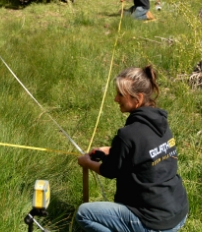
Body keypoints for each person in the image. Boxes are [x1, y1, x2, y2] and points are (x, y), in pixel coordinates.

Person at [76, 66, 188, 232]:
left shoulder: (128, 135)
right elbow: (143, 152)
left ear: (138, 98)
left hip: (153, 222)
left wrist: (86, 162)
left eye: (121, 94)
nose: (116, 99)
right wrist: (109, 150)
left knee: (83, 214)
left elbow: (110, 170)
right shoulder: (161, 124)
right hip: (179, 212)